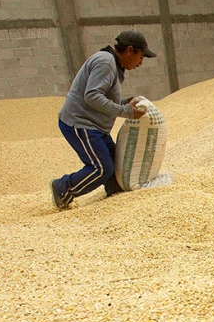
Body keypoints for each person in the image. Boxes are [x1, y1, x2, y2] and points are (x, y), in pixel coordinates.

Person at [50, 30, 157, 209]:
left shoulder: (112, 64)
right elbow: (92, 96)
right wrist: (126, 111)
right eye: (141, 56)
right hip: (81, 123)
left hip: (95, 126)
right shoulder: (105, 62)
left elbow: (102, 98)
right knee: (100, 169)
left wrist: (125, 102)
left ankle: (114, 198)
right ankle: (62, 188)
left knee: (116, 165)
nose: (140, 62)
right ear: (130, 50)